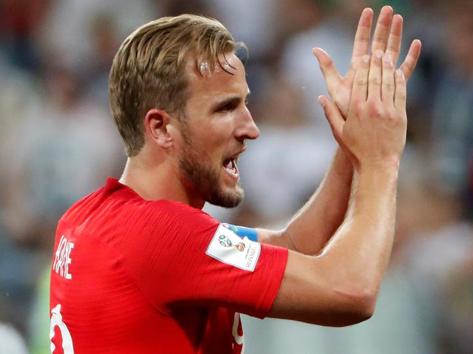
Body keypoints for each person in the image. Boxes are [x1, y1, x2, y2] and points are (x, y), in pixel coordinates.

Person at [49, 6, 421, 353]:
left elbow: (294, 245)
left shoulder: (87, 217)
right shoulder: (164, 235)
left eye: (244, 103)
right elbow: (351, 291)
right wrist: (381, 158)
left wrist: (352, 144)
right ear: (161, 127)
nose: (251, 128)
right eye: (226, 108)